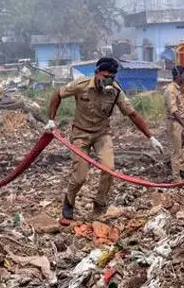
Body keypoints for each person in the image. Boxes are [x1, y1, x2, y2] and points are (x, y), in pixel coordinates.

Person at [45, 57, 165, 225]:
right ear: (96, 73)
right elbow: (57, 94)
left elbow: (132, 114)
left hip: (102, 133)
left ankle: (100, 203)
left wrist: (150, 137)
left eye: (111, 77)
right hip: (81, 134)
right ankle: (69, 202)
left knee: (109, 169)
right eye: (105, 76)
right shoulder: (81, 84)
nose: (107, 81)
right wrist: (51, 120)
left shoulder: (115, 92)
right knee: (79, 176)